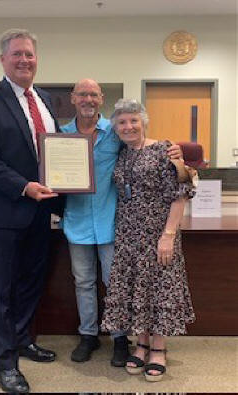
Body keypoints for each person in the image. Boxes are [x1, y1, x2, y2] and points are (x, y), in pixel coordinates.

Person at [61, 79, 182, 367]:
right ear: (73, 98)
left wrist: (178, 157)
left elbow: (182, 179)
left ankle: (120, 339)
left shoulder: (115, 134)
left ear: (101, 98)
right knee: (84, 283)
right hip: (80, 220)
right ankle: (89, 336)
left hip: (112, 222)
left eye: (93, 94)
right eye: (82, 94)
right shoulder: (60, 135)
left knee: (116, 283)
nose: (88, 99)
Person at [0, 29, 61, 393]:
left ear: (37, 59)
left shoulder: (47, 99)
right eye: (17, 54)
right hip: (4, 211)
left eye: (30, 55)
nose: (25, 60)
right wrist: (24, 186)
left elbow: (52, 151)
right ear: (3, 59)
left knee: (31, 281)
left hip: (41, 211)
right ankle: (5, 361)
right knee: (1, 288)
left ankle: (22, 339)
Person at [101, 99, 196, 382]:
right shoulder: (122, 153)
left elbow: (180, 194)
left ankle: (158, 348)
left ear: (143, 122)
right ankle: (141, 344)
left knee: (159, 289)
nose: (128, 126)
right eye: (122, 122)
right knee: (137, 290)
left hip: (158, 235)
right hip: (129, 234)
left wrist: (168, 235)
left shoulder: (164, 150)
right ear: (115, 128)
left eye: (133, 120)